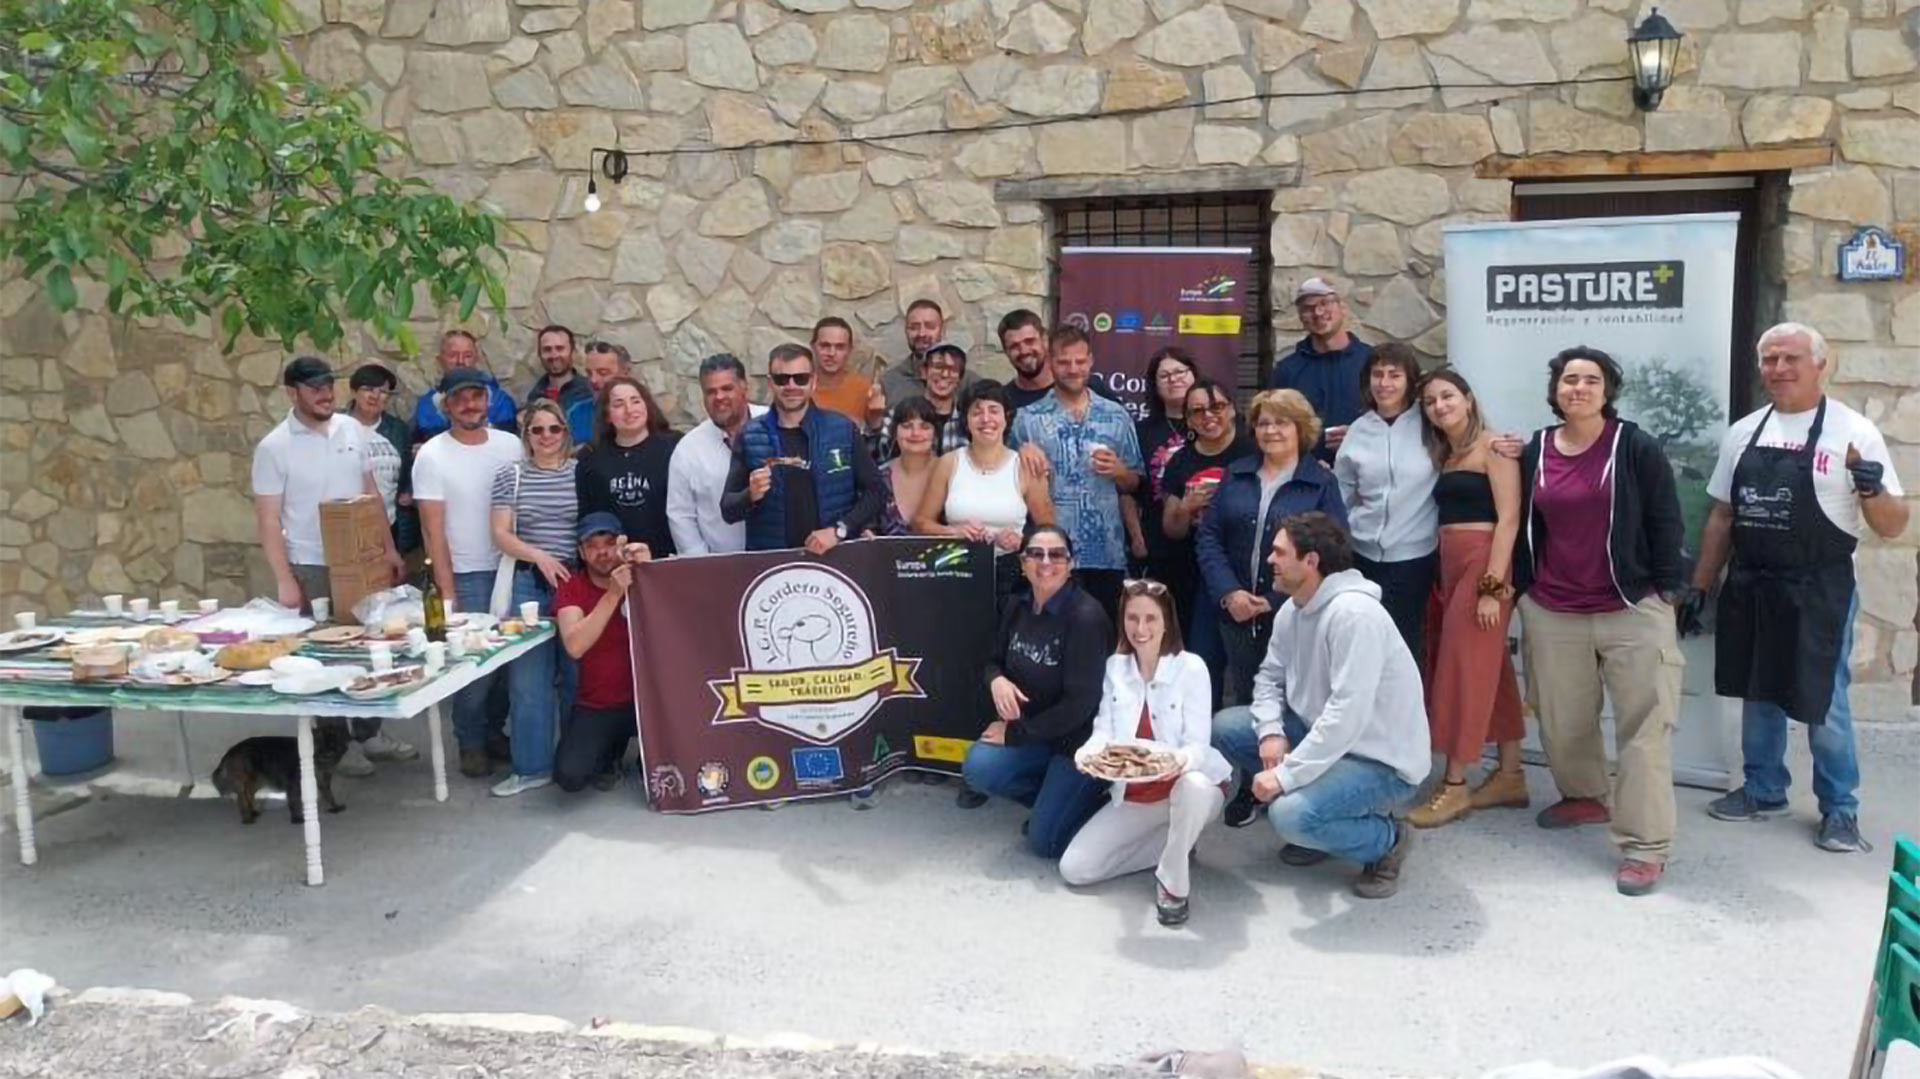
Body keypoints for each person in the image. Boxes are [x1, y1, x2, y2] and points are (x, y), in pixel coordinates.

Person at [1690, 322, 1907, 854]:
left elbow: (1893, 524)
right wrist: (1700, 584)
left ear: (1820, 364)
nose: (1779, 368)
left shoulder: (1854, 432)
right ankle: (1764, 789)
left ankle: (1840, 809)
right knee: (1758, 687)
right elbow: (1722, 515)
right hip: (1754, 581)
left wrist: (1873, 488)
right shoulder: (1744, 432)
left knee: (1824, 698)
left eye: (1791, 358)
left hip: (1819, 587)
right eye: (1770, 359)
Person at [1512, 347, 1686, 896]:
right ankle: (1586, 795)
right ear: (1555, 390)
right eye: (1570, 379)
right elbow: (1520, 519)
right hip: (1554, 607)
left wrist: (1666, 590)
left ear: (1607, 391)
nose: (1579, 388)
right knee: (1562, 721)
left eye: (1591, 380)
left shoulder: (1634, 445)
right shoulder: (1536, 449)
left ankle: (1645, 846)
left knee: (1644, 731)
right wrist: (1523, 589)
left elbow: (1666, 516)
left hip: (1629, 607)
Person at [1209, 513, 1428, 899]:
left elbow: (1347, 714)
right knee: (1228, 728)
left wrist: (1285, 776)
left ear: (1310, 561)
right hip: (1328, 740)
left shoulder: (1354, 616)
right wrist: (1271, 732)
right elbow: (1269, 678)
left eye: (1279, 552)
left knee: (1289, 815)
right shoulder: (1293, 609)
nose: (1270, 559)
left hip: (1381, 761)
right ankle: (1324, 820)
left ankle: (1388, 839)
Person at [251, 356, 411, 778]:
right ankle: (336, 746)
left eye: (328, 385)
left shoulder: (352, 430)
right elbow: (267, 519)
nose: (325, 394)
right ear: (292, 393)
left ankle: (370, 733)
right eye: (314, 387)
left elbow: (371, 494)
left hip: (361, 559)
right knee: (324, 657)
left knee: (371, 647)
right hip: (311, 564)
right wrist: (284, 579)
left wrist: (389, 550)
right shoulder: (274, 447)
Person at [1060, 579, 1230, 927]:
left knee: (1195, 786)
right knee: (1075, 869)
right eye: (1132, 618)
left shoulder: (1191, 668)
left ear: (1167, 622)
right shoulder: (1115, 667)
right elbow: (1104, 731)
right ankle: (1179, 842)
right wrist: (1088, 754)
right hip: (1137, 795)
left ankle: (1173, 883)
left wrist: (1174, 762)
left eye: (1151, 618)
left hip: (1189, 789)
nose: (1140, 629)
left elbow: (1198, 746)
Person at [1408, 369, 1526, 829]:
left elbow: (1510, 519)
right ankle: (1511, 776)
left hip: (1483, 563)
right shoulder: (1447, 453)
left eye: (1447, 396)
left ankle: (1455, 785)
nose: (1439, 406)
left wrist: (1491, 589)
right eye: (1430, 401)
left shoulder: (1495, 447)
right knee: (1491, 669)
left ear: (1468, 399)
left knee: (1460, 669)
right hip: (1450, 564)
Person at [1194, 388, 1347, 727]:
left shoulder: (1321, 483)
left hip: (1294, 616)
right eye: (1263, 423)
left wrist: (1273, 601)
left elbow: (1334, 552)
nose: (1271, 430)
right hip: (1235, 614)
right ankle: (1250, 764)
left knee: (1292, 709)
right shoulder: (1236, 474)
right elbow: (1209, 537)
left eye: (1282, 422)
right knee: (1246, 707)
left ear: (1300, 429)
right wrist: (1229, 593)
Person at [963, 526, 1112, 859]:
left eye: (1057, 554)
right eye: (1036, 554)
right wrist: (997, 680)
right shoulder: (1017, 605)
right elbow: (991, 661)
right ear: (1023, 563)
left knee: (1046, 844)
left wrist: (1016, 733)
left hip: (1077, 744)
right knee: (978, 767)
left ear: (1070, 564)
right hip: (1038, 736)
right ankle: (1053, 805)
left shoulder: (1086, 617)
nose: (1046, 562)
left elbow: (1081, 705)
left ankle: (1103, 806)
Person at [413, 366, 526, 779]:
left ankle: (494, 732)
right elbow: (432, 530)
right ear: (445, 406)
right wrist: (447, 593)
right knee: (474, 666)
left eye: (476, 396)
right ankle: (470, 741)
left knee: (509, 665)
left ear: (488, 401)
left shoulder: (512, 445)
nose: (469, 404)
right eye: (459, 398)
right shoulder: (432, 456)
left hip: (512, 568)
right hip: (466, 573)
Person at [1010, 325, 1144, 621]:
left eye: (1080, 361)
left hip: (1107, 554)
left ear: (1091, 361)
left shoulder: (1116, 415)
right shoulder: (1027, 420)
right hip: (1050, 555)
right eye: (1064, 362)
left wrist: (1121, 471)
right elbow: (1006, 480)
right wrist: (1019, 453)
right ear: (1050, 362)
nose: (1073, 369)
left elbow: (1135, 484)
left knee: (1104, 637)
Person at [487, 399, 581, 798]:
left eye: (553, 428)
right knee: (528, 679)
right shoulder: (511, 475)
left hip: (574, 582)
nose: (546, 436)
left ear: (565, 432)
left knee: (576, 677)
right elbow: (500, 533)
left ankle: (576, 762)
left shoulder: (581, 472)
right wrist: (539, 556)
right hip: (529, 582)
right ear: (526, 436)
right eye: (537, 429)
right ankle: (531, 768)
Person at [722, 344, 886, 552]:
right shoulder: (750, 435)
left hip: (832, 558)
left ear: (813, 381)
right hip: (774, 562)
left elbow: (877, 492)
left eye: (800, 378)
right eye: (782, 379)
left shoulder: (842, 429)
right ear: (771, 383)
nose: (791, 386)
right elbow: (728, 510)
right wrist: (750, 495)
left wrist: (840, 530)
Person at [1333, 342, 1437, 661]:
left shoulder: (1431, 424)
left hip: (1414, 558)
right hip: (1362, 556)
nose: (1384, 383)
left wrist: (1502, 445)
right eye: (1377, 374)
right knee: (1364, 644)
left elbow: (1471, 439)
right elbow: (1342, 491)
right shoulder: (1359, 430)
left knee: (1403, 646)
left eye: (1394, 375)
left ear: (1410, 380)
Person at [1161, 378, 1257, 707]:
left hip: (1251, 569)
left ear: (1231, 410)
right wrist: (1186, 508)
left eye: (1216, 407)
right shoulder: (1181, 462)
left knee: (1254, 667)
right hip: (1198, 572)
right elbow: (1171, 529)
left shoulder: (1254, 451)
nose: (1208, 416)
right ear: (1188, 420)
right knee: (1203, 662)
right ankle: (1205, 731)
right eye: (1198, 411)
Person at [914, 381, 1055, 598]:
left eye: (994, 410)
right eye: (977, 412)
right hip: (957, 570)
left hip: (1012, 577)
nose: (986, 419)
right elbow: (921, 522)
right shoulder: (948, 463)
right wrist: (953, 532)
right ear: (966, 421)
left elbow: (1049, 531)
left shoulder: (1025, 466)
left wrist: (1023, 543)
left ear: (1006, 417)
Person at [554, 513, 650, 793]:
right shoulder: (572, 585)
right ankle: (611, 752)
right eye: (592, 546)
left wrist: (650, 569)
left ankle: (641, 754)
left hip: (647, 703)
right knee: (569, 776)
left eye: (609, 543)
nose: (602, 552)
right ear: (581, 552)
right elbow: (575, 646)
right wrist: (613, 594)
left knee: (668, 767)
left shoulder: (642, 575)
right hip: (598, 705)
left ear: (622, 544)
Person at [667, 354, 766, 556]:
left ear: (744, 387)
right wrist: (702, 563)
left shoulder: (775, 424)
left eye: (727, 388)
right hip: (723, 564)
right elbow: (681, 515)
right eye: (711, 392)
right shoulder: (688, 449)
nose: (719, 397)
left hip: (781, 559)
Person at [1266, 278, 1373, 460]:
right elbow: (1274, 427)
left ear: (1342, 307)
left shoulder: (1372, 362)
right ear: (1301, 317)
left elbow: (1394, 420)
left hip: (1366, 469)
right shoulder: (1287, 371)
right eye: (1308, 308)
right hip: (1307, 472)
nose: (1318, 312)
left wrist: (1358, 436)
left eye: (1325, 303)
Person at [576, 375, 679, 559]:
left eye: (635, 401)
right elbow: (588, 517)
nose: (629, 410)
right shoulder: (591, 458)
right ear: (607, 415)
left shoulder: (675, 447)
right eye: (618, 404)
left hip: (669, 558)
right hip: (616, 562)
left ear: (647, 405)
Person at [1135, 347, 1198, 592]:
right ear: (1155, 385)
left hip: (1207, 540)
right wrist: (1137, 536)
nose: (1174, 379)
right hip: (1158, 543)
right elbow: (1130, 489)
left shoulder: (1212, 424)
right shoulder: (1143, 432)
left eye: (1180, 371)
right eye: (1164, 375)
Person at [346, 362, 416, 552]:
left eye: (383, 391)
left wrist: (408, 491)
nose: (375, 396)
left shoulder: (398, 430)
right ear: (354, 392)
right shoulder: (337, 428)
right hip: (346, 525)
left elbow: (408, 471)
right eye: (368, 389)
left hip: (391, 526)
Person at [997, 308, 1121, 414]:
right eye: (1014, 346)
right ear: (1006, 351)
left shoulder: (1088, 385)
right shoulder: (1003, 401)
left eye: (1030, 341)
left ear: (1044, 339)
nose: (1024, 351)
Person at [411, 330, 517, 445]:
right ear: (440, 359)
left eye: (467, 356)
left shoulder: (499, 401)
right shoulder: (427, 405)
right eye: (452, 355)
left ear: (476, 359)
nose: (460, 361)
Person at [877, 299, 977, 407]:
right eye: (914, 328)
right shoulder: (890, 383)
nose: (922, 334)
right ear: (906, 331)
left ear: (942, 331)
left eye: (930, 327)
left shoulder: (969, 383)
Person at [877, 343, 970, 459]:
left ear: (960, 378)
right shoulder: (899, 415)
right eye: (938, 367)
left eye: (953, 369)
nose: (945, 374)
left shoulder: (966, 422)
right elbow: (878, 456)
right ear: (924, 372)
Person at [877, 396, 942, 536]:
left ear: (936, 434)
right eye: (907, 426)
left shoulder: (950, 473)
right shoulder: (879, 477)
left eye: (925, 427)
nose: (915, 433)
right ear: (894, 432)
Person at [809, 316, 883, 429]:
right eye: (825, 346)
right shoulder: (799, 386)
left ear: (849, 350)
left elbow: (875, 432)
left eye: (840, 347)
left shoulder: (863, 389)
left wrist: (876, 417)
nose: (831, 353)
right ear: (813, 347)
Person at [524, 324, 593, 430]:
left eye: (560, 348)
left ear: (573, 352)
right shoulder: (534, 397)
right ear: (539, 354)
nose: (554, 355)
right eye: (547, 349)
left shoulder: (588, 392)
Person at [575, 339, 632, 444]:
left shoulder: (641, 413)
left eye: (603, 373)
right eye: (589, 373)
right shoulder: (577, 411)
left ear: (624, 373)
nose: (593, 380)